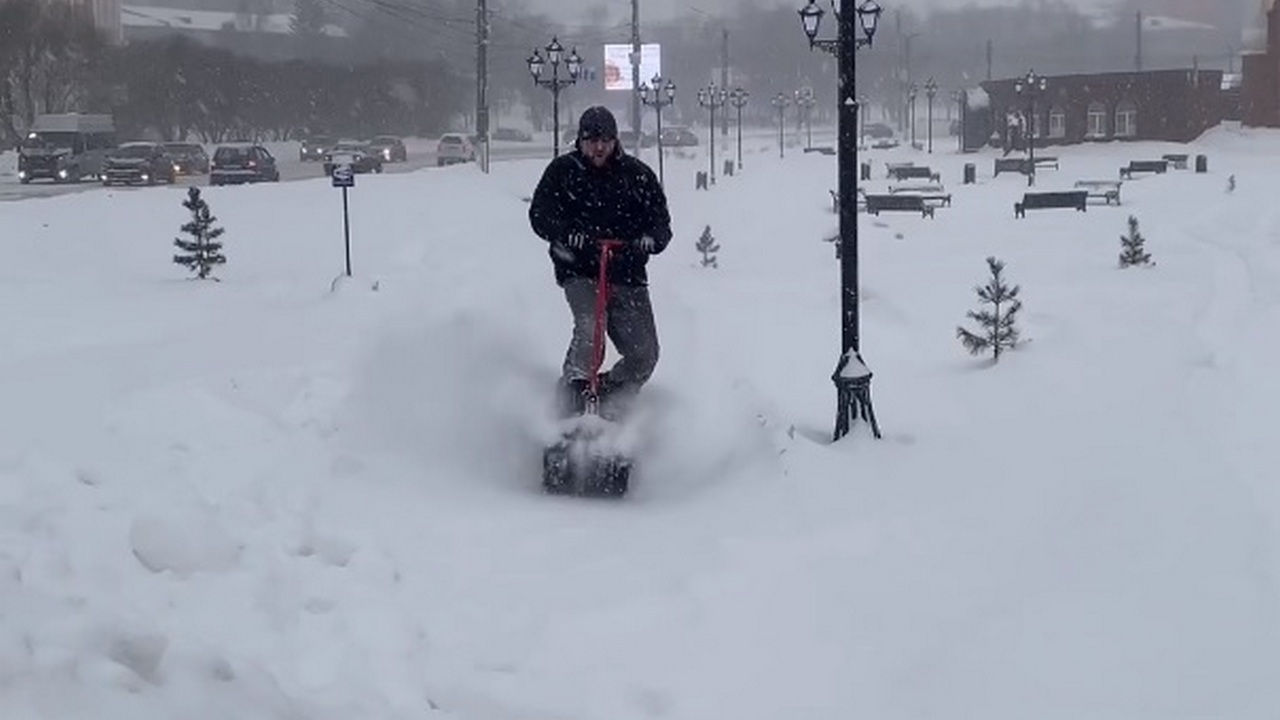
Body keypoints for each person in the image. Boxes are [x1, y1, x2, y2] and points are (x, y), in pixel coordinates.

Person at [528, 106, 672, 420]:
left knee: (645, 353)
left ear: (615, 141)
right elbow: (540, 214)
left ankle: (609, 394)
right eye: (591, 140)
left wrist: (650, 239)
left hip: (627, 272)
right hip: (579, 268)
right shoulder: (563, 172)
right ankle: (573, 389)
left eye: (605, 140)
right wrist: (565, 233)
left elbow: (660, 222)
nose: (598, 147)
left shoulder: (637, 176)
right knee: (591, 327)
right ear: (579, 141)